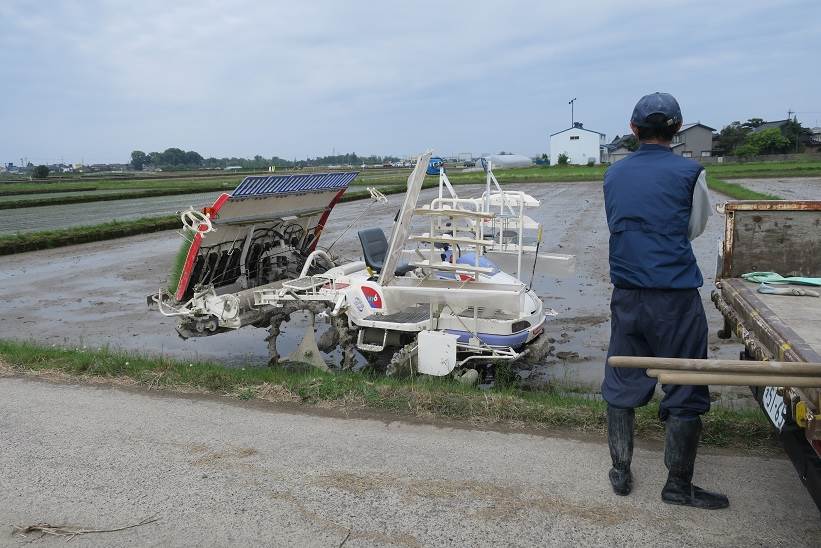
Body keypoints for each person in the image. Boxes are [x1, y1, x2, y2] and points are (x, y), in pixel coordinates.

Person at [601, 92, 729, 510]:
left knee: (622, 376)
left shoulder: (613, 175)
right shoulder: (691, 171)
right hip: (674, 296)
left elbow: (618, 223)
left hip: (628, 295)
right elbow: (693, 227)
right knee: (685, 382)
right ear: (677, 130)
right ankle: (677, 485)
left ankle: (620, 470)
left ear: (634, 130)